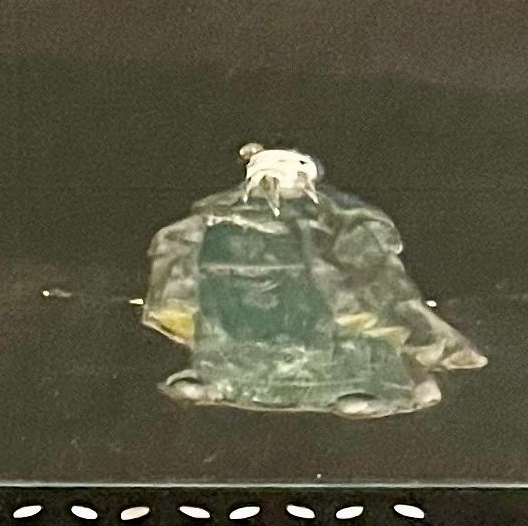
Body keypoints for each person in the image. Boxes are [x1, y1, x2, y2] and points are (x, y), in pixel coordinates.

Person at [143, 145, 483, 415]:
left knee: (349, 327)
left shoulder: (335, 214)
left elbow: (370, 240)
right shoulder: (220, 211)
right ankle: (221, 379)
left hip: (319, 296)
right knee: (229, 323)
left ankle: (369, 385)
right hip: (237, 292)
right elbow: (177, 240)